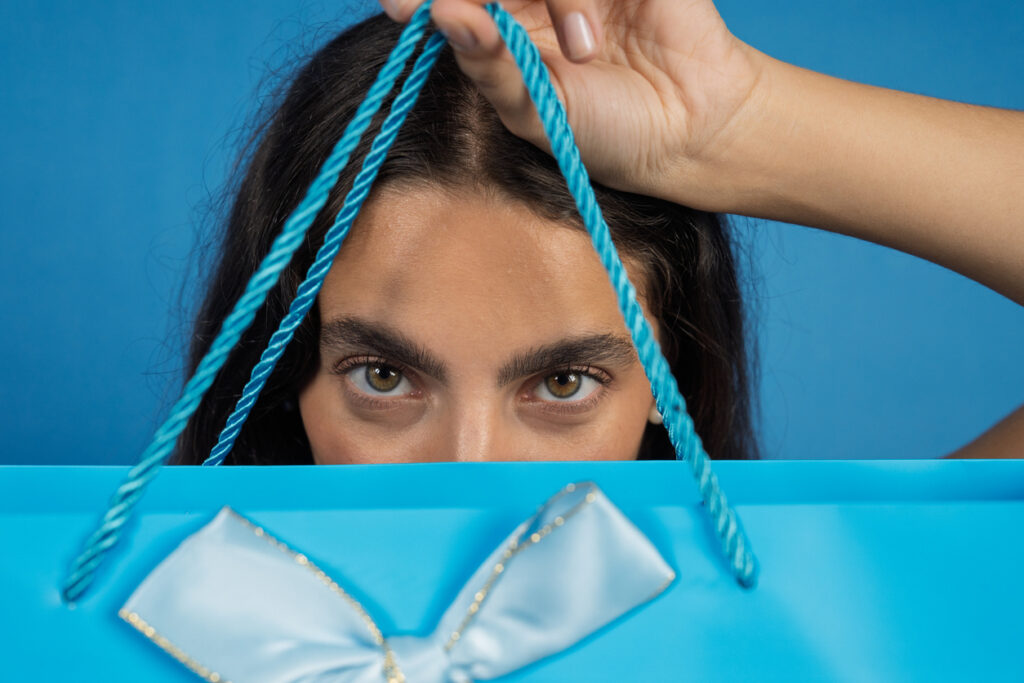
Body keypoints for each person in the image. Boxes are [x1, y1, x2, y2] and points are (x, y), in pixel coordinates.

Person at [174, 0, 1023, 465]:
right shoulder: (133, 626)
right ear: (289, 378)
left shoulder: (812, 620)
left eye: (567, 383)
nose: (472, 474)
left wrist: (730, 124)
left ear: (667, 382)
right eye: (384, 376)